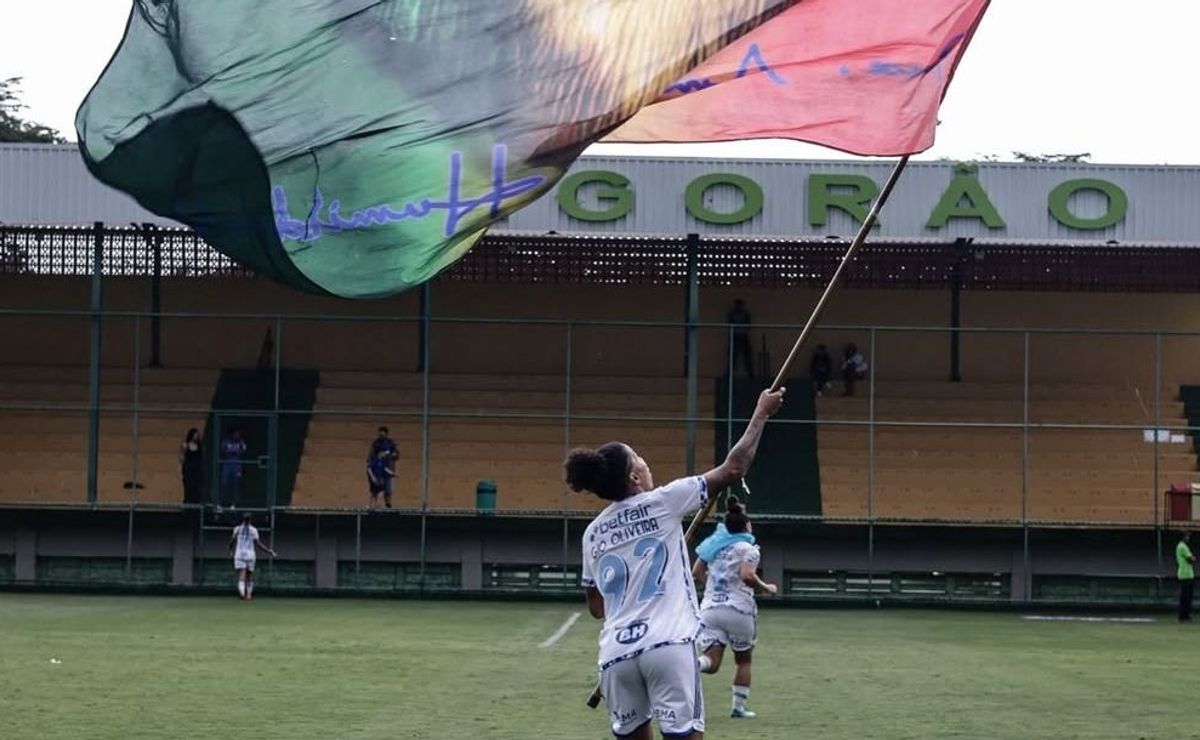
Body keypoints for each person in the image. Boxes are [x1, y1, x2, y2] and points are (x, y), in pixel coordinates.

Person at [568, 386, 785, 740]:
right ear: (634, 478)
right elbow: (734, 468)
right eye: (638, 458)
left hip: (616, 655)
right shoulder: (662, 501)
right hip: (669, 645)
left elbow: (596, 608)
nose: (644, 461)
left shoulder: (592, 534)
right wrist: (761, 412)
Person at [692, 495, 777, 719]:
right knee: (743, 659)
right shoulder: (748, 548)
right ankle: (738, 707)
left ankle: (691, 665)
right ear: (746, 525)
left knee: (712, 661)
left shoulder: (713, 547)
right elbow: (747, 575)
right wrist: (765, 587)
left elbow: (696, 572)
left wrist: (713, 586)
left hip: (710, 608)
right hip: (738, 609)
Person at [229, 513, 275, 601]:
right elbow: (258, 544)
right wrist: (269, 551)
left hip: (239, 554)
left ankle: (242, 593)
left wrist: (230, 549)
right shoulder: (253, 530)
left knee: (242, 574)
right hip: (250, 555)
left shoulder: (237, 529)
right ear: (250, 520)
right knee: (249, 575)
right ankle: (249, 595)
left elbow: (232, 541)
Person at [367, 426, 399, 507]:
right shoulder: (376, 443)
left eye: (382, 435)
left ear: (386, 434)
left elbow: (396, 454)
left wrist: (394, 455)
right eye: (379, 435)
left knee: (388, 488)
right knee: (378, 488)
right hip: (378, 469)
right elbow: (371, 455)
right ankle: (375, 504)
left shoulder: (390, 443)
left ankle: (388, 502)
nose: (380, 436)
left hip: (387, 467)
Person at [218, 428, 247, 510]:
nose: (237, 435)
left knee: (236, 484)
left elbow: (243, 450)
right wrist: (232, 451)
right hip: (227, 464)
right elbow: (223, 450)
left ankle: (234, 503)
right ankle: (220, 503)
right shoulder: (226, 442)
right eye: (235, 433)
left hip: (237, 465)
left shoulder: (241, 443)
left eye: (238, 433)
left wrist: (232, 451)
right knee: (224, 483)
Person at [727, 298, 754, 377]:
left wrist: (743, 329)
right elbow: (729, 324)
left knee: (747, 356)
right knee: (732, 356)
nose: (739, 307)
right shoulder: (732, 314)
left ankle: (750, 374)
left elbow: (748, 325)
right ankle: (729, 374)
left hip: (743, 336)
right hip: (735, 336)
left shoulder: (745, 314)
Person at [180, 428, 203, 503]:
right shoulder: (185, 445)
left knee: (196, 486)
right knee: (188, 486)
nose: (196, 436)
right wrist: (181, 467)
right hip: (189, 467)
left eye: (197, 435)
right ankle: (187, 502)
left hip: (197, 468)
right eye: (195, 435)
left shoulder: (199, 446)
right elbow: (182, 457)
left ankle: (196, 502)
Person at [1178, 531, 1195, 623]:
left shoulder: (1182, 546)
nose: (1188, 538)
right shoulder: (1182, 547)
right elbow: (1191, 559)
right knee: (1185, 597)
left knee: (1187, 597)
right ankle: (1183, 616)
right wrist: (1193, 558)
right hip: (1185, 574)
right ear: (1183, 537)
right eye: (1187, 536)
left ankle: (1185, 615)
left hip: (1188, 574)